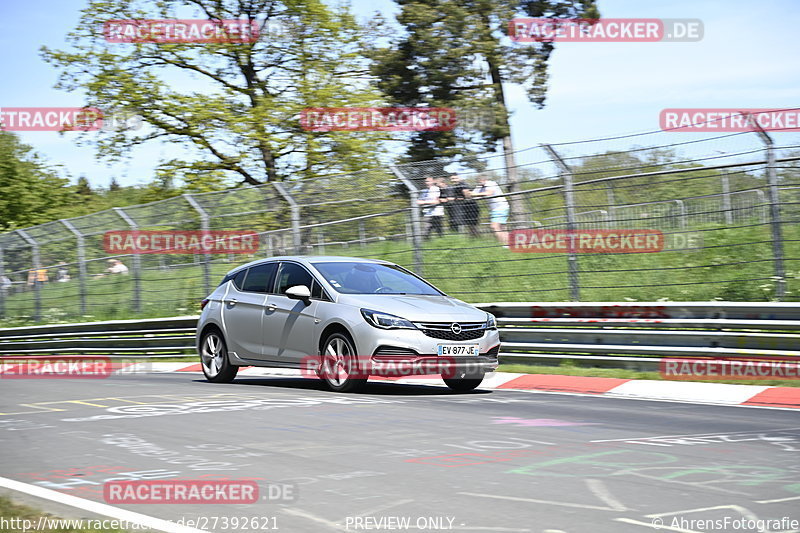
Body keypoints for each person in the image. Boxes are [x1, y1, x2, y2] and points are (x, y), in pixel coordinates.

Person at [472, 175, 510, 246]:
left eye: (480, 181)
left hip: (500, 207)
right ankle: (507, 245)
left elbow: (489, 193)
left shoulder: (491, 183)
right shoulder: (480, 186)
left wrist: (476, 194)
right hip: (495, 209)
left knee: (494, 226)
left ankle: (503, 245)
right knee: (502, 227)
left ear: (484, 180)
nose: (479, 183)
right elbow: (472, 193)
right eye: (478, 182)